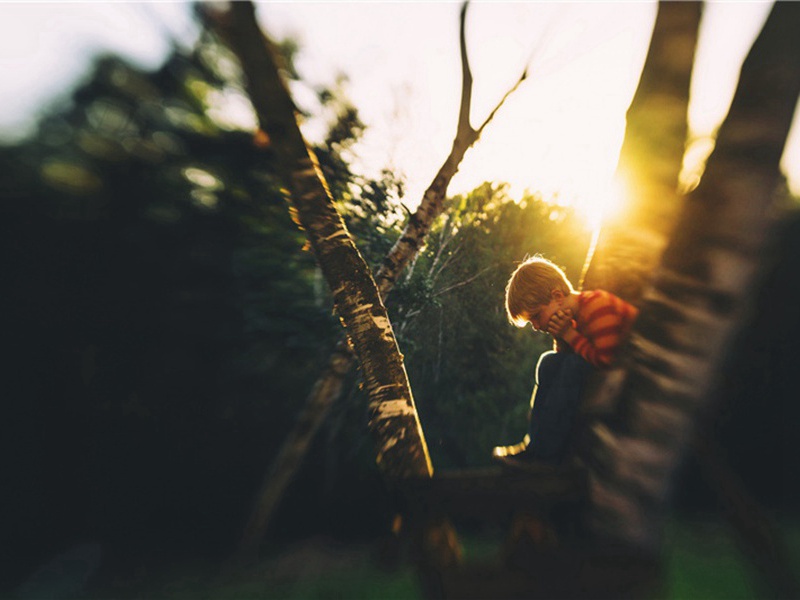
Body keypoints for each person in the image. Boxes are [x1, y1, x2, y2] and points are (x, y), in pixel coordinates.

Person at [493, 256, 638, 466]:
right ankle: (535, 445)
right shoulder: (569, 319)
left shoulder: (597, 306)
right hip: (604, 369)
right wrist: (562, 336)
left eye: (536, 316)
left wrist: (569, 334)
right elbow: (565, 356)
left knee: (572, 365)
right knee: (549, 361)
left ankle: (547, 453)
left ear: (558, 296)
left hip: (631, 372)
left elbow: (606, 360)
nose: (535, 325)